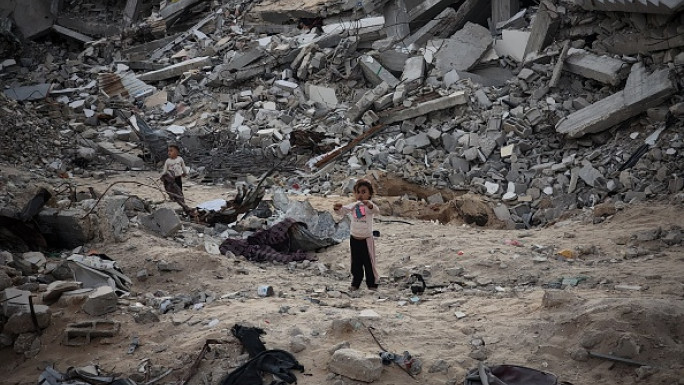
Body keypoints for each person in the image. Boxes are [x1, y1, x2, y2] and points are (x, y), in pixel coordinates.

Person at [333, 179, 381, 291]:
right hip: (354, 238)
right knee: (356, 264)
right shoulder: (354, 206)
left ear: (369, 194)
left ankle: (372, 284)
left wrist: (369, 205)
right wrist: (337, 208)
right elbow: (343, 211)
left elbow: (376, 210)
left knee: (369, 263)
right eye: (358, 192)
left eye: (363, 192)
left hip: (366, 239)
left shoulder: (369, 206)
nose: (360, 195)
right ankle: (356, 282)